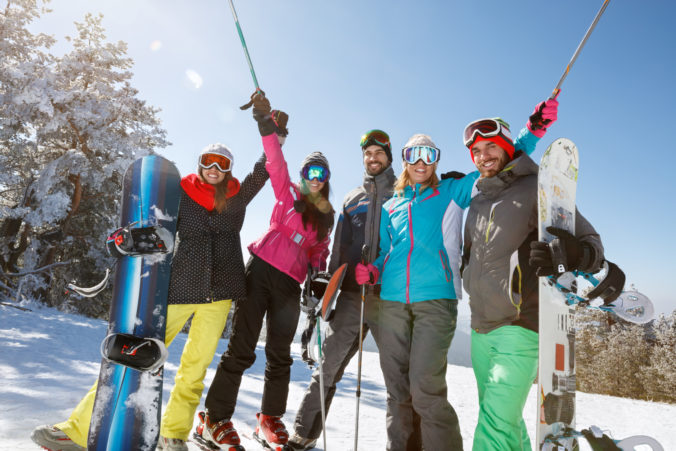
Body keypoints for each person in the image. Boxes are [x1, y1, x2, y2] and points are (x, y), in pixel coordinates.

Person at [30, 144, 269, 451]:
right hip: (180, 289)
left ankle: (173, 435)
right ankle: (76, 430)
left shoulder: (236, 198)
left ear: (229, 170)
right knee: (130, 357)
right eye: (208, 161)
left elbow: (263, 172)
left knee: (194, 371)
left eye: (222, 164)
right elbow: (152, 222)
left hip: (220, 295)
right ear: (199, 164)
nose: (214, 168)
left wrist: (271, 130)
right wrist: (125, 241)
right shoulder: (180, 193)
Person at [460, 101, 624, 450]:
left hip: (520, 326)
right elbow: (470, 254)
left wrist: (576, 255)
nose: (483, 156)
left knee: (493, 427)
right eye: (476, 150)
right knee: (506, 423)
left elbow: (589, 241)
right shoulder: (476, 200)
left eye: (491, 147)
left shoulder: (538, 186)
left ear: (507, 148)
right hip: (480, 328)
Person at [197, 92, 334, 451]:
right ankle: (214, 418)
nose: (315, 178)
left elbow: (319, 250)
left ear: (326, 179)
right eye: (310, 171)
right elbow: (274, 160)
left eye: (321, 173)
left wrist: (317, 276)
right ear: (302, 175)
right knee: (241, 347)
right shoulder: (287, 194)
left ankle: (269, 419)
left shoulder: (325, 217)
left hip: (289, 283)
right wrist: (268, 127)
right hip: (260, 271)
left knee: (279, 354)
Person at [288, 129, 399, 450]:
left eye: (379, 153)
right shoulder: (353, 199)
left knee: (397, 378)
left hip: (389, 299)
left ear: (388, 158)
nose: (373, 158)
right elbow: (338, 252)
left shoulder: (404, 192)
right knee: (328, 367)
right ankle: (304, 433)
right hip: (351, 296)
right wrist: (325, 300)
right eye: (368, 154)